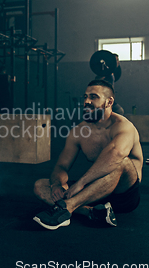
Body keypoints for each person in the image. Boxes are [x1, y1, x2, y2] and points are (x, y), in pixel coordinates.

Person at [33, 79, 143, 230]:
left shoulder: (123, 126)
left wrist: (80, 183)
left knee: (122, 161)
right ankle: (92, 212)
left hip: (124, 194)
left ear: (109, 102)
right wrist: (57, 185)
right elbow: (61, 165)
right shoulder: (79, 131)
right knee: (40, 185)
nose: (86, 101)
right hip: (95, 191)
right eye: (85, 97)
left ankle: (66, 208)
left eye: (93, 97)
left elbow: (116, 154)